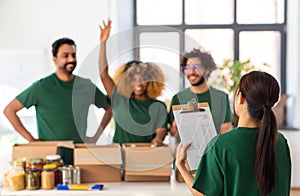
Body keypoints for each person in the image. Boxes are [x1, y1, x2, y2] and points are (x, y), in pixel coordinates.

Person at [176, 71, 291, 196]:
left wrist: (180, 165)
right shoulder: (280, 141)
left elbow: (202, 194)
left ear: (240, 98)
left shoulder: (220, 145)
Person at [3, 38, 112, 144]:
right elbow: (9, 110)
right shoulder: (41, 87)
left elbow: (110, 108)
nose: (71, 59)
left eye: (73, 55)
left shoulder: (86, 86)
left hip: (78, 151)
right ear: (54, 59)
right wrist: (31, 140)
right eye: (65, 56)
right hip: (50, 154)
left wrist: (95, 137)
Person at [99, 19, 168, 146]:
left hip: (145, 153)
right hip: (119, 156)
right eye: (133, 79)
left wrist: (158, 139)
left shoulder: (159, 106)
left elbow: (161, 130)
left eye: (143, 79)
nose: (138, 83)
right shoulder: (120, 99)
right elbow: (104, 75)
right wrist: (103, 43)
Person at [169, 48, 233, 138]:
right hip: (186, 150)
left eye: (196, 67)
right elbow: (173, 133)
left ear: (207, 69)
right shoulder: (177, 98)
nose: (191, 72)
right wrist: (176, 126)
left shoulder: (221, 97)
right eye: (187, 68)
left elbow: (227, 127)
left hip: (214, 149)